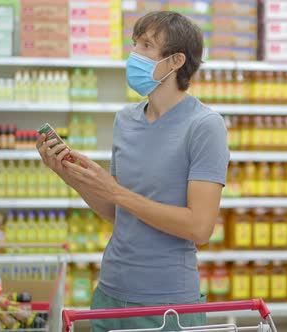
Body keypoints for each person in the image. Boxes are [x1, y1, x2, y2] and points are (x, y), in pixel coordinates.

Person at [36, 11, 229, 331]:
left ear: (176, 61)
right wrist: (70, 175)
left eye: (146, 46)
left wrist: (113, 189)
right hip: (110, 291)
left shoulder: (205, 126)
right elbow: (118, 211)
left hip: (167, 302)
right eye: (134, 44)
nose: (133, 54)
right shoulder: (125, 120)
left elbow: (200, 227)